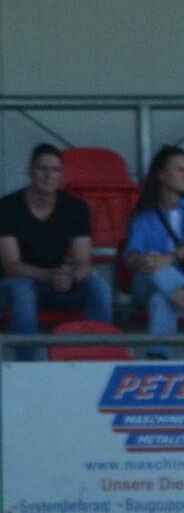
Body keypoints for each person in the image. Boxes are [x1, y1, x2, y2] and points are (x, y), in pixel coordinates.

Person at [1, 143, 114, 358]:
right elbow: (11, 266)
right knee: (22, 289)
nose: (48, 176)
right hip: (13, 286)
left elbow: (83, 260)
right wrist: (51, 275)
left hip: (56, 284)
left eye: (55, 170)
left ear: (62, 175)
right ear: (30, 171)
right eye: (42, 169)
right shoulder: (8, 207)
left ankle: (96, 362)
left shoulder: (75, 207)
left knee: (98, 286)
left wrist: (72, 275)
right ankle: (27, 369)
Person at [123, 146, 184, 355]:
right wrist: (142, 261)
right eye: (179, 170)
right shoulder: (144, 215)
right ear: (161, 174)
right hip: (146, 282)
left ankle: (158, 361)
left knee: (161, 299)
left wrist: (169, 259)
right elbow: (131, 253)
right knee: (152, 262)